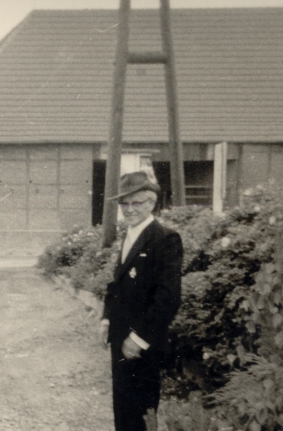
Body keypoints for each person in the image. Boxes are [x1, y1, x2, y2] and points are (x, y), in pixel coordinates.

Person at [99, 171, 183, 431]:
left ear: (151, 203)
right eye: (124, 204)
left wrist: (138, 338)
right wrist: (105, 319)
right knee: (123, 408)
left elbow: (168, 298)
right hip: (120, 336)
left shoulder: (165, 238)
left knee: (142, 412)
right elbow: (117, 283)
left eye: (136, 203)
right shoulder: (130, 234)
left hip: (143, 343)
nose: (129, 210)